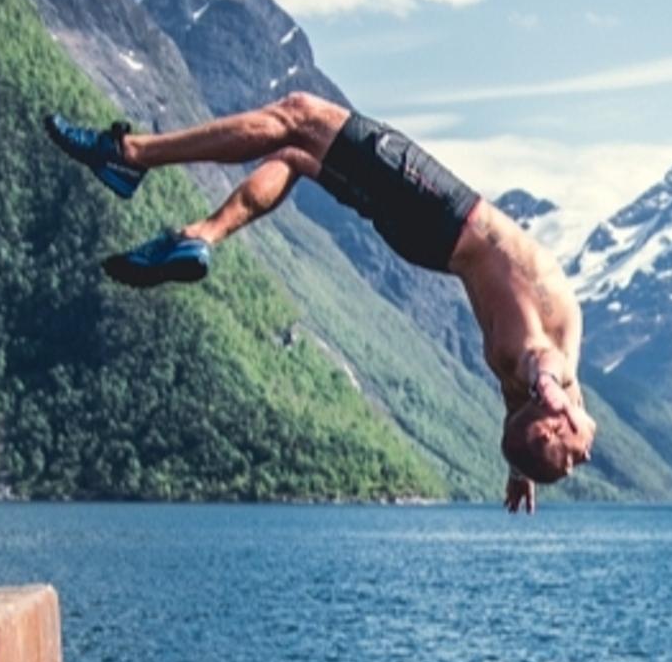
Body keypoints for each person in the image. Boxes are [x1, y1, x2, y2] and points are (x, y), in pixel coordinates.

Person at [46, 97, 594, 512]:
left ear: (547, 420)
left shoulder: (545, 370)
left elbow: (536, 365)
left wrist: (545, 406)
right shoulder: (539, 381)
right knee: (295, 155)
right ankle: (201, 235)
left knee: (298, 114)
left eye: (566, 461)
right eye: (569, 461)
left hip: (445, 218)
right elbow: (525, 384)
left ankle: (129, 155)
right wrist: (523, 464)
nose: (582, 459)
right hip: (433, 238)